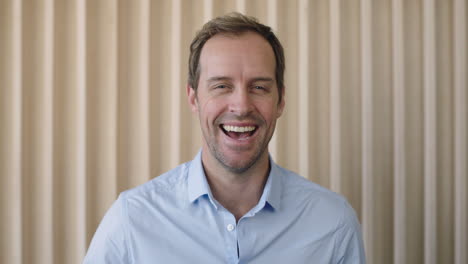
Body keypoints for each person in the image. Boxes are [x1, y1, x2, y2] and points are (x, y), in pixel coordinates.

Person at [83, 12, 366, 264]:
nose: (241, 106)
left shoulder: (333, 224)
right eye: (221, 86)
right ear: (193, 98)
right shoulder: (132, 221)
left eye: (259, 87)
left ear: (280, 100)